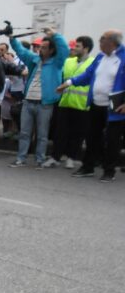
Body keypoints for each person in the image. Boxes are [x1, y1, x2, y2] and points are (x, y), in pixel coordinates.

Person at [59, 29, 125, 182]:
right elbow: (88, 75)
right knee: (91, 137)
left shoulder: (123, 57)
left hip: (115, 107)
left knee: (112, 140)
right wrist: (69, 83)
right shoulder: (100, 57)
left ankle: (109, 171)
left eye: (102, 39)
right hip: (96, 103)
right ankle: (88, 167)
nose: (100, 43)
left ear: (112, 42)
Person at [8, 28, 69, 168]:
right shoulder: (34, 60)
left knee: (42, 135)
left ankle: (40, 159)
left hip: (44, 104)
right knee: (24, 133)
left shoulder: (57, 62)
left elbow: (64, 48)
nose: (40, 50)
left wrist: (54, 34)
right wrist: (12, 38)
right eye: (40, 47)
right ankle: (20, 158)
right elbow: (22, 51)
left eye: (44, 48)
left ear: (52, 50)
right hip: (28, 102)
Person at [49, 36, 95, 169]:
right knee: (60, 132)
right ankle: (55, 157)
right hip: (65, 102)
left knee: (77, 134)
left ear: (86, 48)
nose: (74, 48)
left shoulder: (93, 63)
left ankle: (71, 157)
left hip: (82, 104)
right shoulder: (68, 61)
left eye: (78, 46)